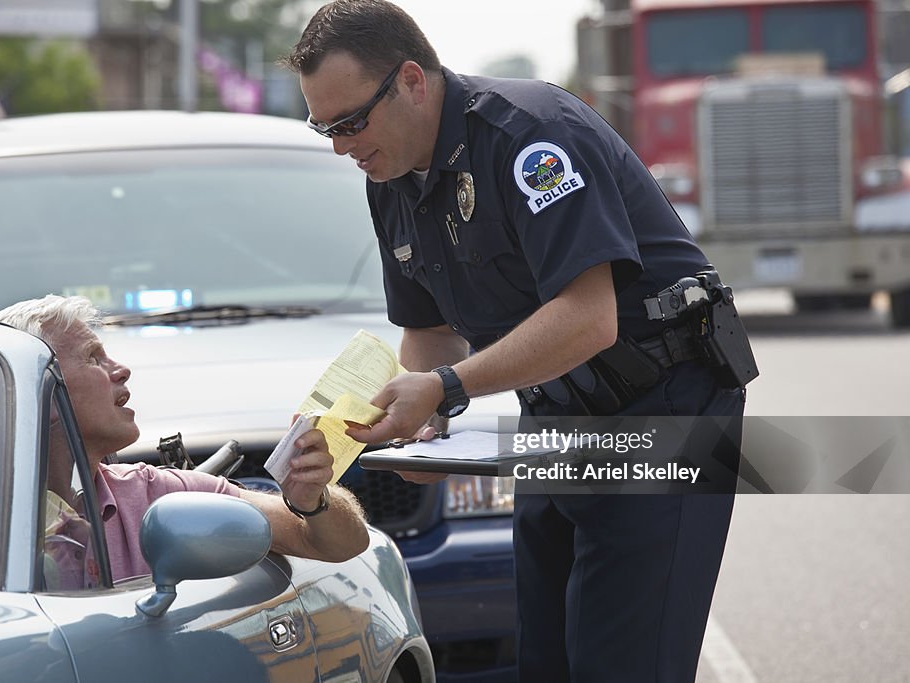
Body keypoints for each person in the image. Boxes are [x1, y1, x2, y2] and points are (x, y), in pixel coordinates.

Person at [285, 2, 751, 681]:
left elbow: (591, 318)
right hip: (556, 419)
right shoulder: (388, 178)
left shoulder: (530, 136)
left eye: (350, 121)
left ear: (412, 80)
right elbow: (428, 331)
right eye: (323, 127)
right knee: (550, 659)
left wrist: (445, 389)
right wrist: (423, 430)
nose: (340, 145)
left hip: (661, 409)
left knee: (624, 661)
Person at [0, 295, 369, 587]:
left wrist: (313, 500)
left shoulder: (161, 492)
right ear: (40, 393)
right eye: (95, 357)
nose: (121, 369)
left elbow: (340, 544)